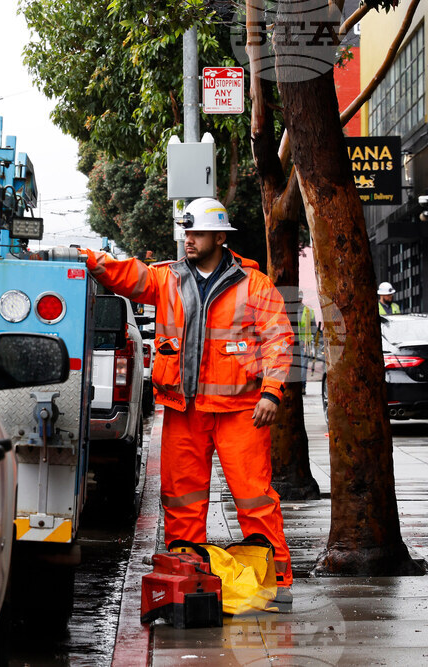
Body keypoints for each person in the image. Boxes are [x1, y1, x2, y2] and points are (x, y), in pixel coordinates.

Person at [77, 197, 295, 608]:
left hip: (240, 411)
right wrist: (86, 258)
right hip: (184, 412)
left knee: (254, 499)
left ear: (219, 236)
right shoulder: (167, 279)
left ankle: (277, 582)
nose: (188, 239)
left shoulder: (255, 284)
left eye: (195, 232)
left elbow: (279, 339)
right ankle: (185, 582)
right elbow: (125, 276)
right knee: (182, 501)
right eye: (186, 232)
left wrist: (272, 391)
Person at [298, 294, 316, 390]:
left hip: (304, 344)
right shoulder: (288, 310)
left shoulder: (309, 311)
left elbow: (313, 327)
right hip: (292, 343)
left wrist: (317, 338)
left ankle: (302, 386)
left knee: (303, 366)